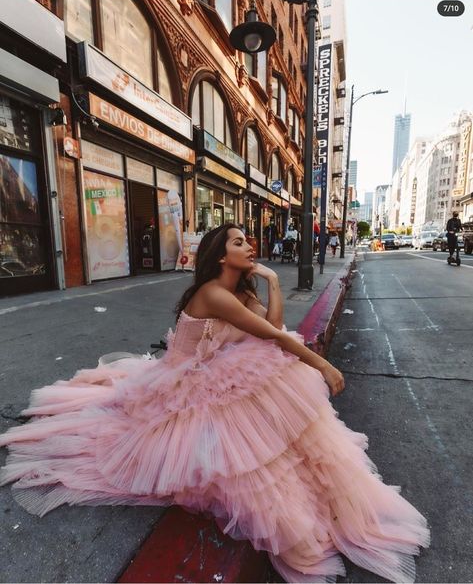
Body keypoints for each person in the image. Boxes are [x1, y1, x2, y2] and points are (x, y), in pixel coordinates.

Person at [0, 224, 429, 583]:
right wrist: (322, 366)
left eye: (247, 240)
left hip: (213, 368)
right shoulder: (212, 293)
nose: (248, 246)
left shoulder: (239, 293)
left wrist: (273, 280)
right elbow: (276, 336)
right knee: (273, 368)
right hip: (183, 381)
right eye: (238, 242)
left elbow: (274, 326)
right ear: (220, 256)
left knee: (270, 365)